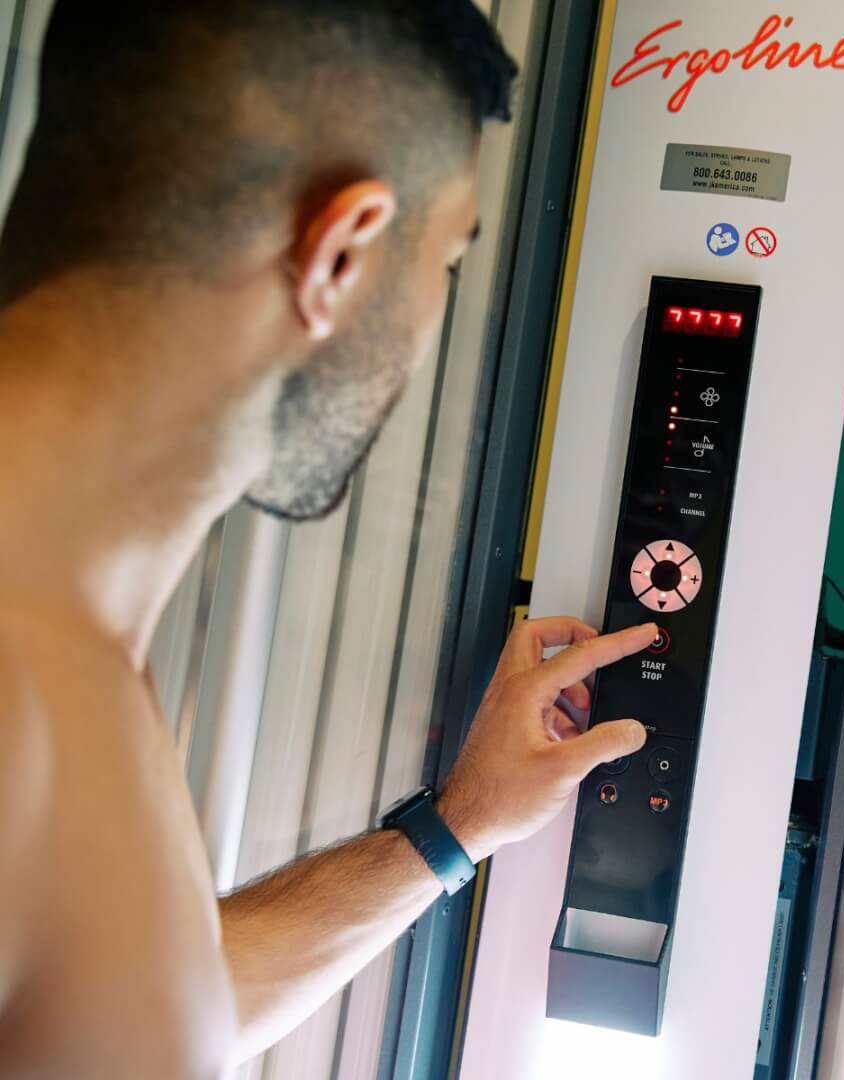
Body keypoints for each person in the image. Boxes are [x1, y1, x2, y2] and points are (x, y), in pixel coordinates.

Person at [0, 2, 654, 1076]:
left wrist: (452, 830)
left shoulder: (64, 636)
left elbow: (135, 1007)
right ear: (340, 250)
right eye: (443, 265)